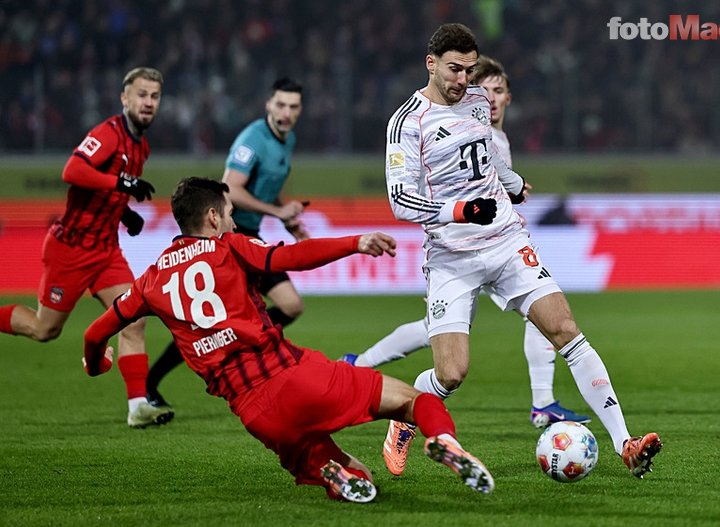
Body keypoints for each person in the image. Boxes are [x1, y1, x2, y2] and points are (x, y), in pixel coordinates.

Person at [82, 177, 495, 502]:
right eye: (229, 214)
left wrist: (98, 362)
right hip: (293, 377)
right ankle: (444, 441)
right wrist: (354, 242)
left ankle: (331, 472)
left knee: (361, 477)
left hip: (254, 413)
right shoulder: (230, 247)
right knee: (414, 402)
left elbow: (95, 332)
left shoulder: (150, 281)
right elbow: (290, 257)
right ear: (212, 218)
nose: (232, 222)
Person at [380, 23, 661, 479]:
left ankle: (624, 443)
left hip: (507, 242)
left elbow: (487, 158)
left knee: (565, 330)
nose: (463, 80)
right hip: (452, 256)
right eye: (454, 69)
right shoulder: (407, 122)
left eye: (469, 70)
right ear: (431, 64)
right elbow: (400, 200)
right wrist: (460, 210)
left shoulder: (476, 101)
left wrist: (512, 184)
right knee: (451, 373)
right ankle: (403, 418)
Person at [342, 55, 590, 430]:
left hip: (493, 247)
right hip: (459, 251)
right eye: (485, 89)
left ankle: (543, 402)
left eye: (498, 90)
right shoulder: (468, 131)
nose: (490, 97)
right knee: (448, 340)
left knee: (535, 315)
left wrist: (512, 191)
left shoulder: (493, 136)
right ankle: (541, 403)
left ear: (508, 97)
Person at [0, 67, 174, 428]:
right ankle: (108, 375)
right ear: (124, 98)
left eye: (155, 96)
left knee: (134, 318)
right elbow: (73, 171)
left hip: (107, 250)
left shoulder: (141, 146)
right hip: (71, 248)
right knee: (44, 330)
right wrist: (121, 183)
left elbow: (104, 190)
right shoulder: (108, 134)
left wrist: (125, 214)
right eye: (141, 94)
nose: (148, 102)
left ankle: (138, 406)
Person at [146, 78, 309, 409]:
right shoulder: (252, 139)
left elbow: (263, 188)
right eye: (280, 104)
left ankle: (245, 348)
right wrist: (277, 211)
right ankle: (151, 382)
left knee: (285, 307)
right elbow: (229, 188)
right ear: (268, 104)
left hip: (249, 235)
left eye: (293, 106)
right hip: (229, 236)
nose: (286, 112)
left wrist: (286, 219)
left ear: (300, 109)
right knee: (217, 322)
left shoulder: (286, 139)